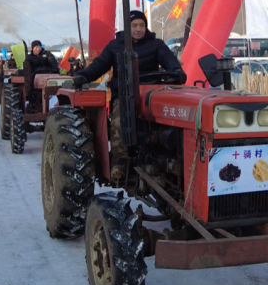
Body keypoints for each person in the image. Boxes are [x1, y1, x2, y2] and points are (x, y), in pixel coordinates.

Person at [73, 10, 185, 180]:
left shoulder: (156, 44)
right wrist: (84, 76)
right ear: (127, 27)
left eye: (142, 25)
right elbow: (100, 65)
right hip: (125, 93)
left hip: (151, 92)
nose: (139, 29)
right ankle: (120, 164)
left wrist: (177, 71)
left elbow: (168, 59)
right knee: (119, 121)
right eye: (134, 26)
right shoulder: (115, 46)